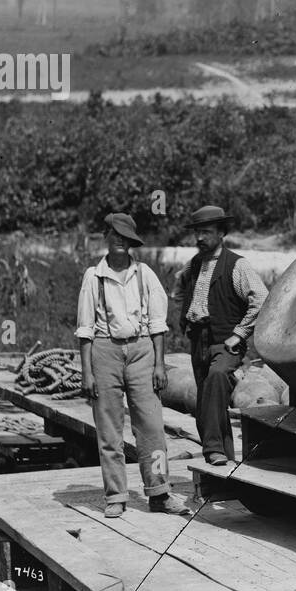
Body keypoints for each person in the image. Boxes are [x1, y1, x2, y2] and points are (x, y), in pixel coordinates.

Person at [76, 213, 189, 519]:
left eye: (126, 238)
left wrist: (159, 364)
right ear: (106, 237)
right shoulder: (93, 276)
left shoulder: (145, 274)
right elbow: (85, 329)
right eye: (115, 235)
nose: (120, 242)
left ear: (132, 242)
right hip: (104, 352)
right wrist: (87, 372)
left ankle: (160, 493)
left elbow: (157, 324)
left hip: (141, 352)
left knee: (152, 428)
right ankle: (115, 495)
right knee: (109, 431)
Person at [172, 205, 269, 466]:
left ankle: (212, 448)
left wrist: (239, 334)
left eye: (206, 232)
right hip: (198, 339)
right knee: (206, 403)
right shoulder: (193, 265)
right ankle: (222, 463)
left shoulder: (237, 265)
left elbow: (261, 299)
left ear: (221, 233)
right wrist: (185, 319)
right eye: (197, 233)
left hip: (226, 342)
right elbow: (178, 291)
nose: (200, 238)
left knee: (216, 379)